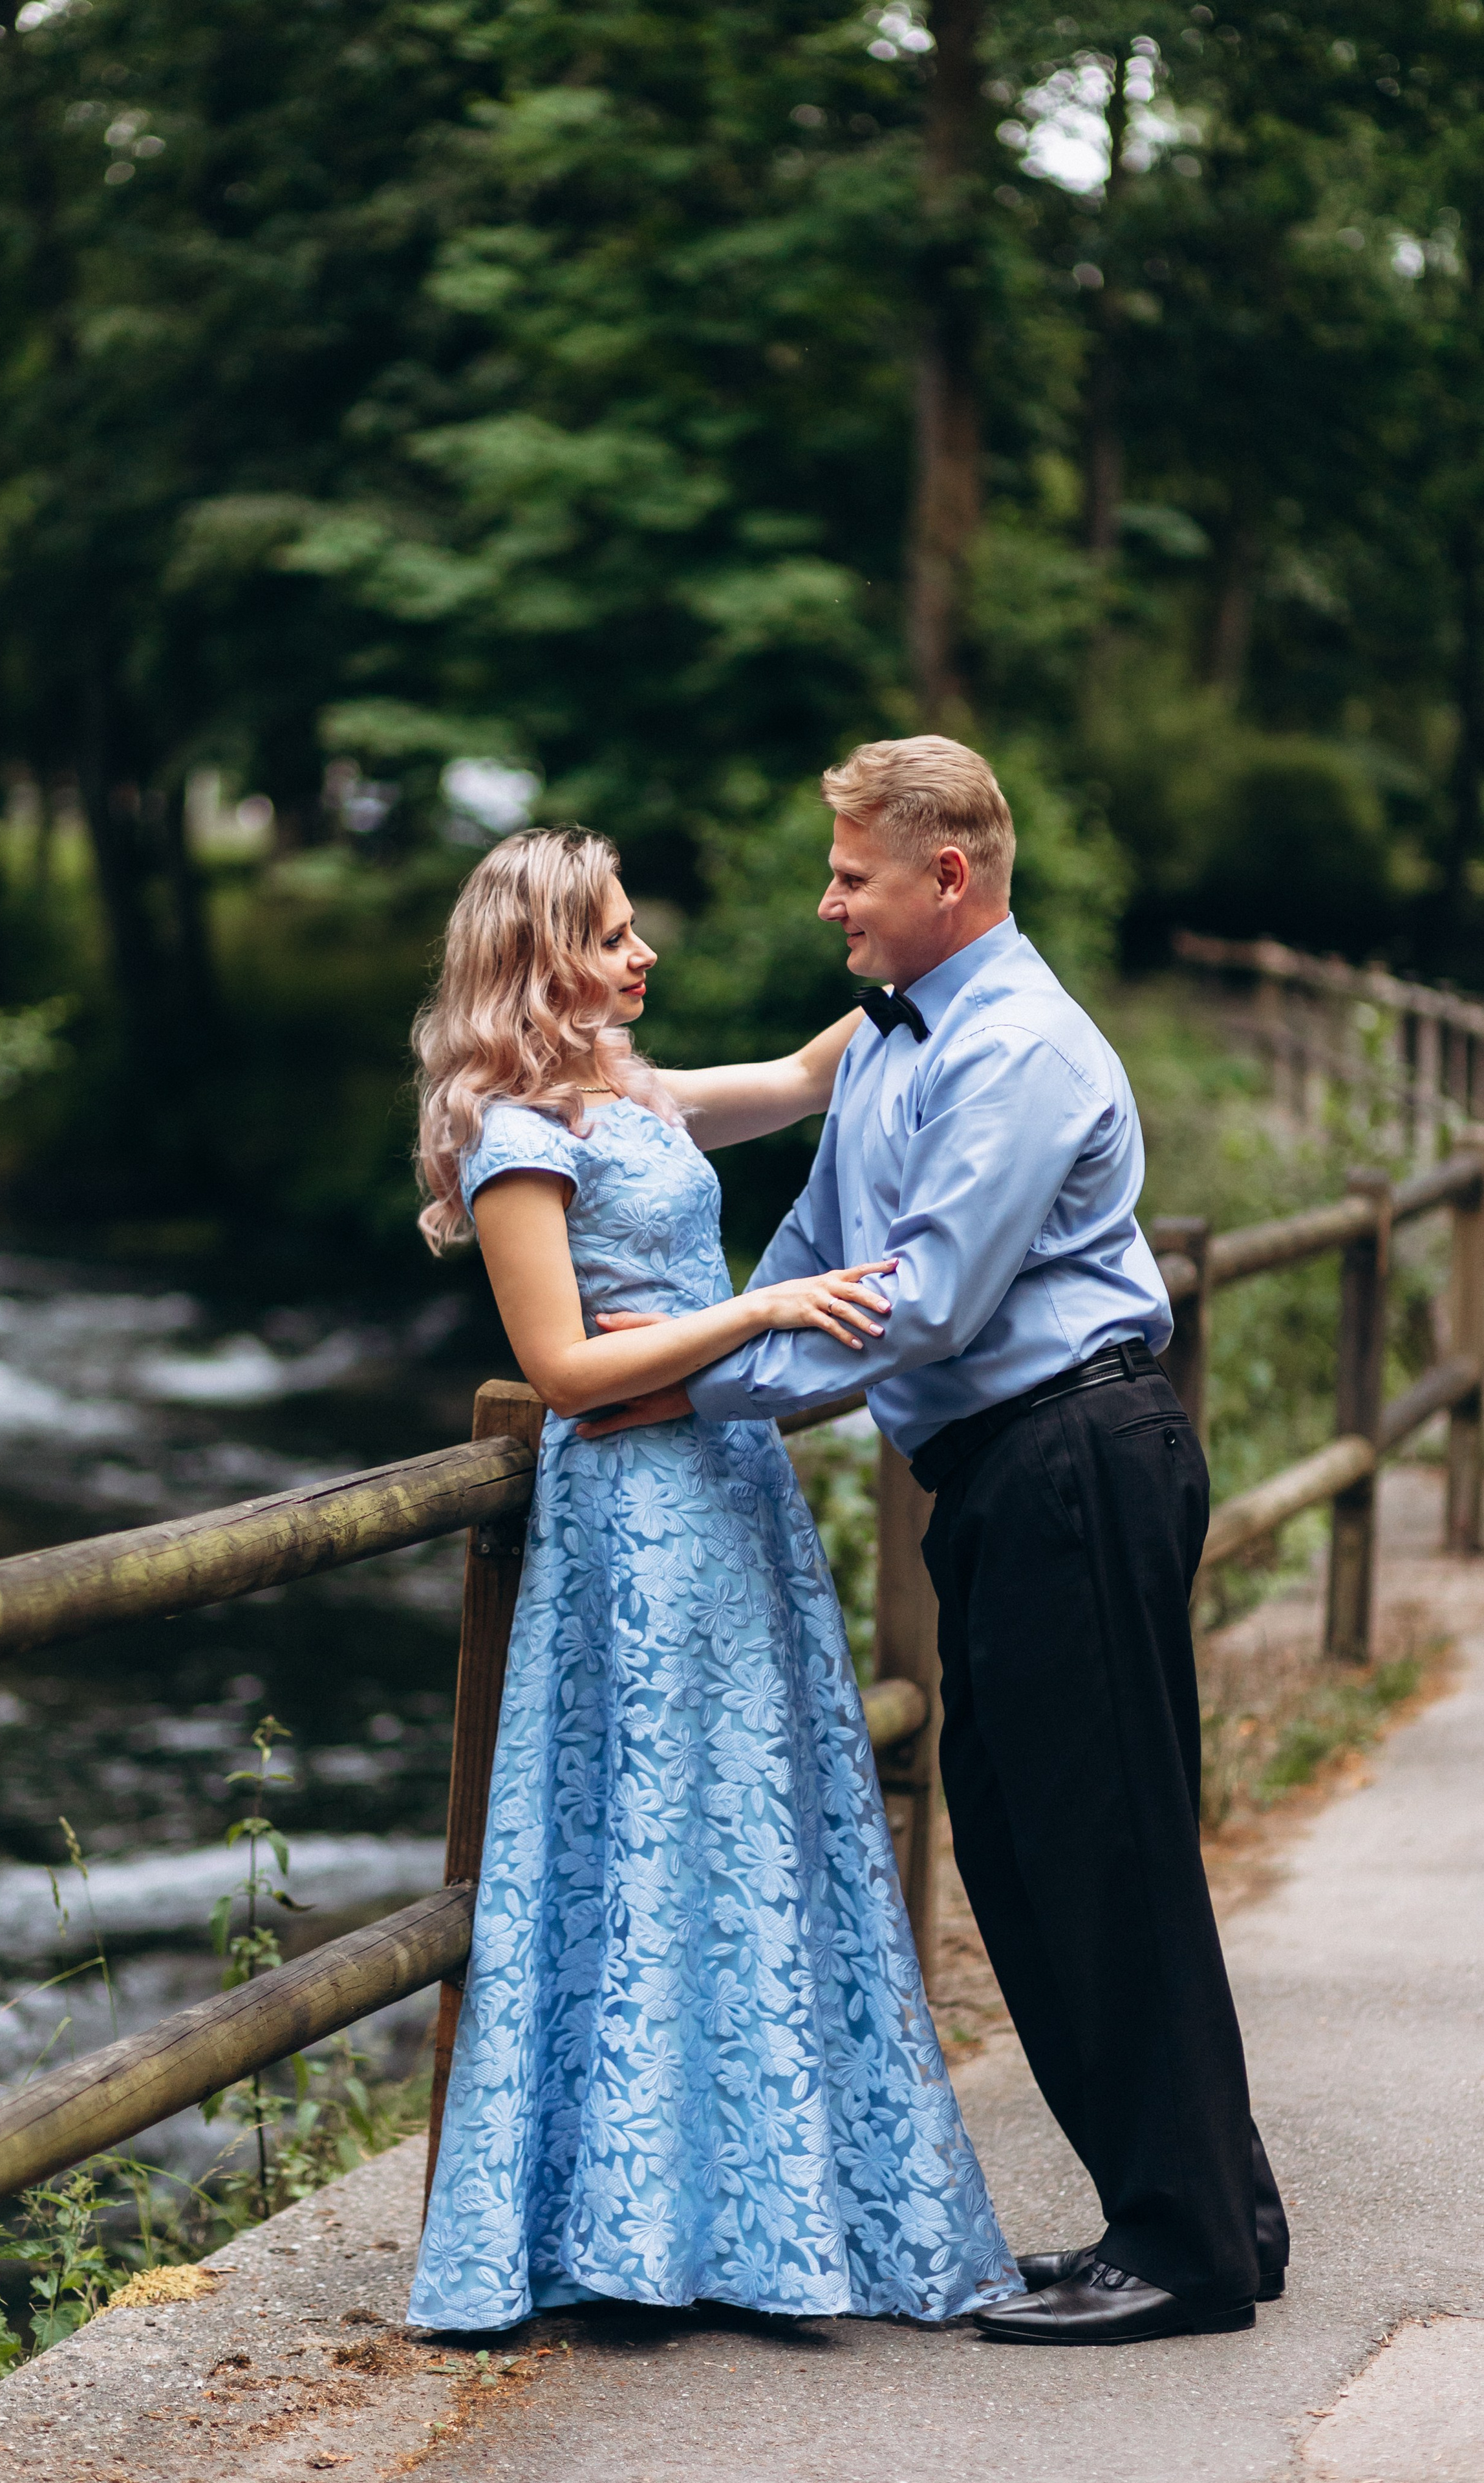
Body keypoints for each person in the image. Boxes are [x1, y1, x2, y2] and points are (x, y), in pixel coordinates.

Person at [583, 736, 1290, 2347]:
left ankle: (1181, 2251)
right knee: (1029, 1847)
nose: (827, 903)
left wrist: (690, 1388)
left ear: (944, 876)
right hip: (995, 1475)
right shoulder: (900, 1042)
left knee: (1096, 1843)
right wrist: (707, 1343)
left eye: (851, 875)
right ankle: (1201, 2209)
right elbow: (813, 1250)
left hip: (1075, 1453)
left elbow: (925, 1299)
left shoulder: (1020, 1049)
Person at [407, 824, 1020, 2332]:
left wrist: (955, 950)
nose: (642, 952)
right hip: (629, 1512)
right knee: (655, 1829)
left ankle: (755, 2218)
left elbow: (809, 1077)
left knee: (753, 1816)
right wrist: (761, 1315)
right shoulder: (511, 1129)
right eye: (614, 933)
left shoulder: (632, 1091)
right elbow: (558, 1365)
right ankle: (624, 2231)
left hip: (727, 1487)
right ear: (545, 953)